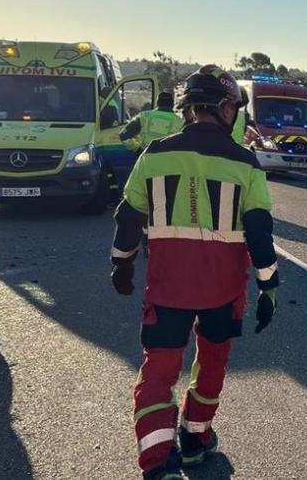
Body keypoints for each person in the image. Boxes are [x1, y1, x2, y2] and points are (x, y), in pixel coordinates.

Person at [110, 69, 280, 480]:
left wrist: (122, 262)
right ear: (225, 109)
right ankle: (194, 440)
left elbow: (128, 217)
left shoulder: (154, 154)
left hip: (167, 290)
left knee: (158, 373)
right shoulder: (246, 163)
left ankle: (157, 464)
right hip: (224, 291)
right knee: (212, 365)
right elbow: (259, 231)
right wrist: (269, 286)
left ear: (188, 109)